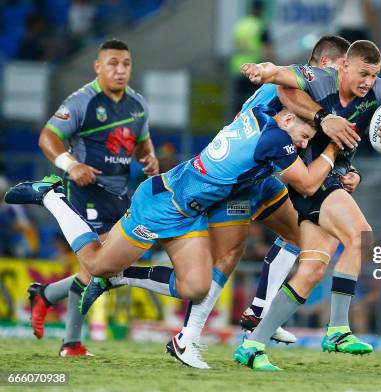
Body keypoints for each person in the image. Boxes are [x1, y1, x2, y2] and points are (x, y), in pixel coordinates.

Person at [99, 35, 355, 370]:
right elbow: (284, 103)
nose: (343, 79)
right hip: (237, 180)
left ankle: (261, 314)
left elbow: (312, 143)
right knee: (229, 255)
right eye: (340, 70)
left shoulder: (317, 97)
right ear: (323, 65)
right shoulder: (293, 88)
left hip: (261, 175)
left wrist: (347, 171)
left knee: (299, 234)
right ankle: (187, 338)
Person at [5, 102, 339, 350]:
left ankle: (60, 296)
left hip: (189, 211)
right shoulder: (275, 128)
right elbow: (305, 180)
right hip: (160, 203)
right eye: (304, 137)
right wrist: (334, 149)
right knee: (95, 265)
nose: (304, 145)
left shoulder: (269, 112)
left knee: (195, 285)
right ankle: (51, 197)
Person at [234, 39, 381, 370]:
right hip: (313, 177)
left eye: (374, 74)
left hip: (331, 179)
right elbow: (281, 78)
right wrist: (263, 70)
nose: (368, 82)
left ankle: (252, 344)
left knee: (312, 269)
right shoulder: (321, 80)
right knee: (361, 235)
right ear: (345, 66)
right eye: (363, 73)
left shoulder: (379, 93)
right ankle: (337, 329)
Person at [27, 38, 159, 357]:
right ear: (97, 67)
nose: (120, 70)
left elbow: (141, 141)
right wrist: (71, 165)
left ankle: (46, 295)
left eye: (126, 64)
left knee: (110, 267)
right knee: (97, 265)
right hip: (85, 192)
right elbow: (48, 137)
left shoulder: (137, 104)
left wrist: (150, 158)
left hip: (119, 193)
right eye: (112, 63)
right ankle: (71, 342)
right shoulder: (81, 101)